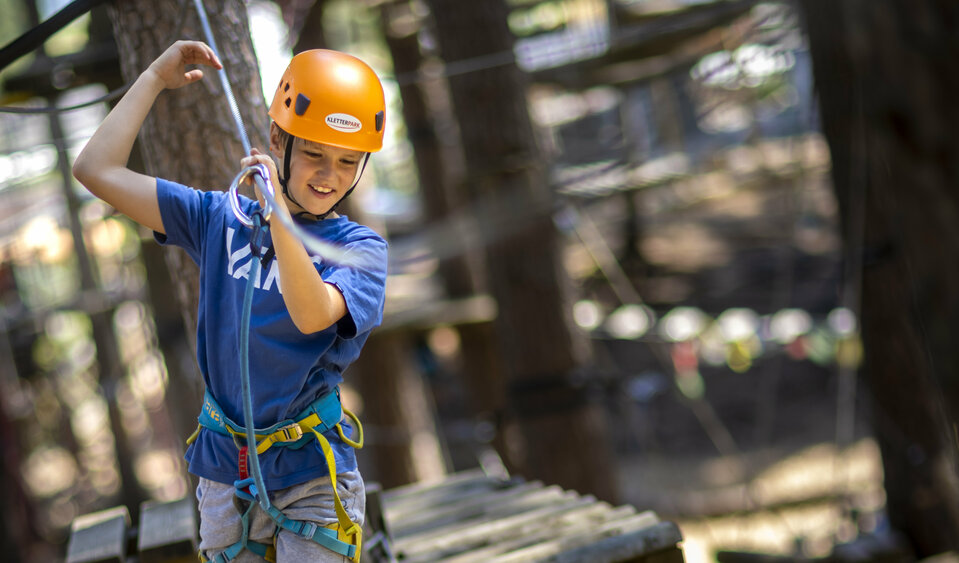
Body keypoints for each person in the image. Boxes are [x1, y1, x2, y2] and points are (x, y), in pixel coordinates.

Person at [73, 40, 389, 562]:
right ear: (276, 140)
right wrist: (152, 76)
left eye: (347, 161)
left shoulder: (360, 250)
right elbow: (96, 171)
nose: (328, 175)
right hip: (226, 472)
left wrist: (280, 222)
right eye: (313, 153)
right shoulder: (220, 219)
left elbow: (311, 315)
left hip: (310, 475)